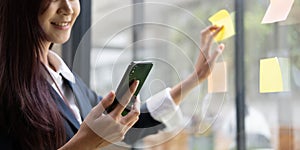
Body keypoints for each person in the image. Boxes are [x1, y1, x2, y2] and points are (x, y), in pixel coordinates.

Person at [0, 0, 225, 149]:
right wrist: (86, 142)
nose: (68, 7)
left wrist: (196, 78)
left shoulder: (65, 79)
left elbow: (131, 124)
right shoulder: (6, 85)